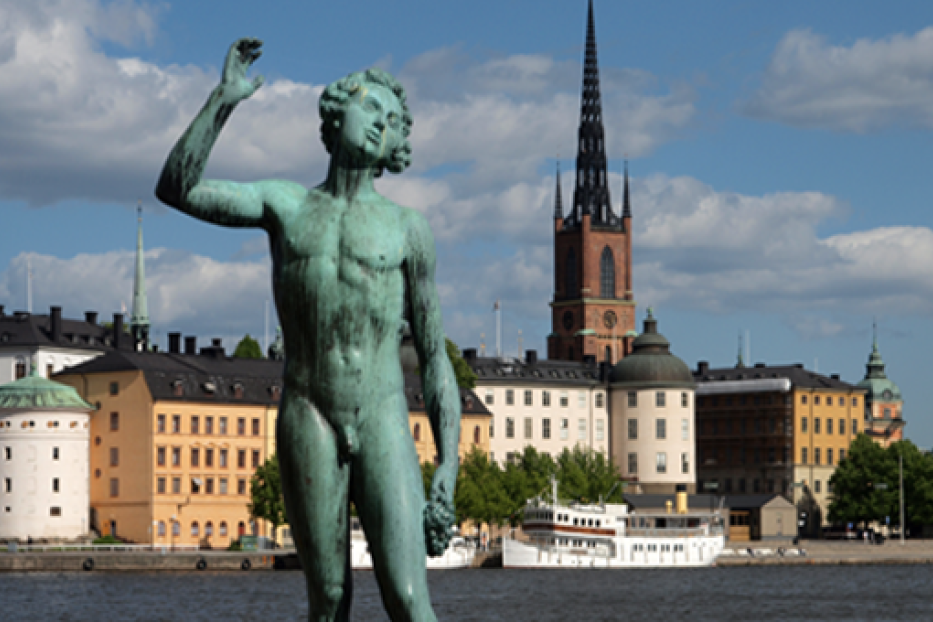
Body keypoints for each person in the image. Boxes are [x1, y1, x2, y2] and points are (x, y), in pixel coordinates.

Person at [156, 38, 461, 622]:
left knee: (407, 596)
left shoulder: (407, 229)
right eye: (372, 108)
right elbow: (177, 188)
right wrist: (223, 101)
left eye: (393, 123)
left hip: (382, 414)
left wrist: (448, 464)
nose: (381, 125)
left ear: (397, 148)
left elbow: (435, 358)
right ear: (337, 110)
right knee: (328, 598)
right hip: (308, 412)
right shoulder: (287, 206)